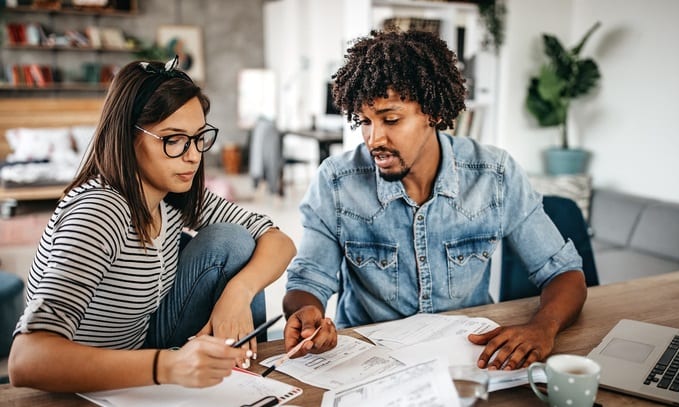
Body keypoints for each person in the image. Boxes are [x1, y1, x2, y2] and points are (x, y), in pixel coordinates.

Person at [281, 30, 587, 371]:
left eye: (391, 119)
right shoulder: (337, 182)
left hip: (471, 359)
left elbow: (564, 274)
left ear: (434, 113)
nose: (373, 138)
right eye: (365, 121)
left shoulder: (494, 175)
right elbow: (307, 283)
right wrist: (307, 314)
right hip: (370, 364)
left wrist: (543, 327)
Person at [8, 56, 296, 392]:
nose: (193, 155)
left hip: (144, 346)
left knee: (234, 241)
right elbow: (25, 360)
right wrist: (169, 365)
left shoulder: (173, 194)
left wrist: (238, 293)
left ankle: (245, 384)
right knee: (230, 242)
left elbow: (279, 240)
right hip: (88, 379)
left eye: (199, 137)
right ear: (127, 136)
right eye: (173, 140)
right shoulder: (100, 211)